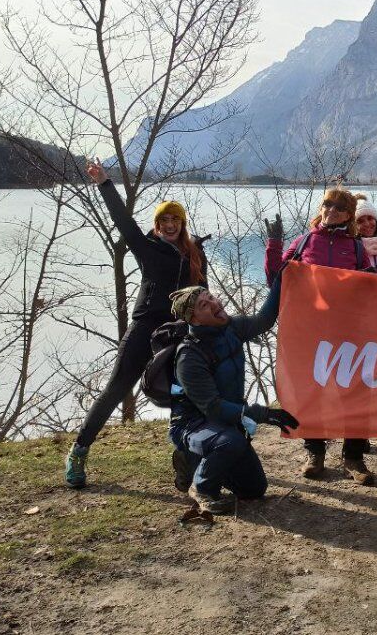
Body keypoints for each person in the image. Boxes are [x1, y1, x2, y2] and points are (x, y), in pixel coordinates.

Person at [65, 159, 209, 490]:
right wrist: (104, 183)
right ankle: (79, 451)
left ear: (182, 224)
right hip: (145, 329)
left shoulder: (194, 253)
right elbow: (122, 220)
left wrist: (212, 324)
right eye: (164, 220)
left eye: (175, 219)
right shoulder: (146, 247)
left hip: (178, 334)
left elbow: (204, 294)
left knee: (184, 394)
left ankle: (188, 458)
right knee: (117, 387)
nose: (170, 225)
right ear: (157, 225)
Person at [264, 188, 377, 485]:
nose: (331, 210)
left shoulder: (355, 248)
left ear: (348, 214)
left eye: (340, 207)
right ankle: (314, 452)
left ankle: (353, 457)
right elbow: (275, 278)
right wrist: (274, 244)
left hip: (348, 331)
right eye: (328, 204)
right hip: (309, 331)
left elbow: (370, 285)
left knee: (354, 392)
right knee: (311, 390)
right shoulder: (303, 242)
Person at [167, 285, 299, 515]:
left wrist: (282, 276)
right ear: (194, 319)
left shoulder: (232, 328)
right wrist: (262, 414)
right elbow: (213, 408)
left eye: (212, 298)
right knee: (231, 442)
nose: (215, 304)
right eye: (204, 305)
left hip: (224, 424)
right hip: (192, 425)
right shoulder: (189, 357)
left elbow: (265, 319)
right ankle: (202, 488)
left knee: (254, 488)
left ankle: (196, 461)